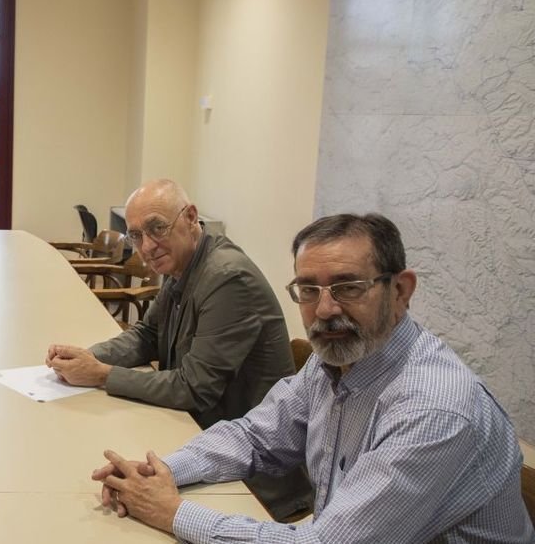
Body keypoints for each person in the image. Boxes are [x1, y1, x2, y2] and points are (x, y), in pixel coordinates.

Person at [92, 213, 534, 543]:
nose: (325, 310)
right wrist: (161, 470)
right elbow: (254, 437)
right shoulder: (335, 362)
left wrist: (173, 513)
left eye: (348, 287)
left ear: (400, 291)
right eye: (308, 290)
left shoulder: (434, 410)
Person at [46, 178, 310, 519]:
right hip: (198, 436)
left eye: (157, 228)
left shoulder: (228, 278)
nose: (148, 246)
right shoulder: (183, 264)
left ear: (190, 217)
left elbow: (193, 388)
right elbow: (146, 335)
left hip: (251, 478)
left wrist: (102, 374)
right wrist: (87, 357)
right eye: (136, 235)